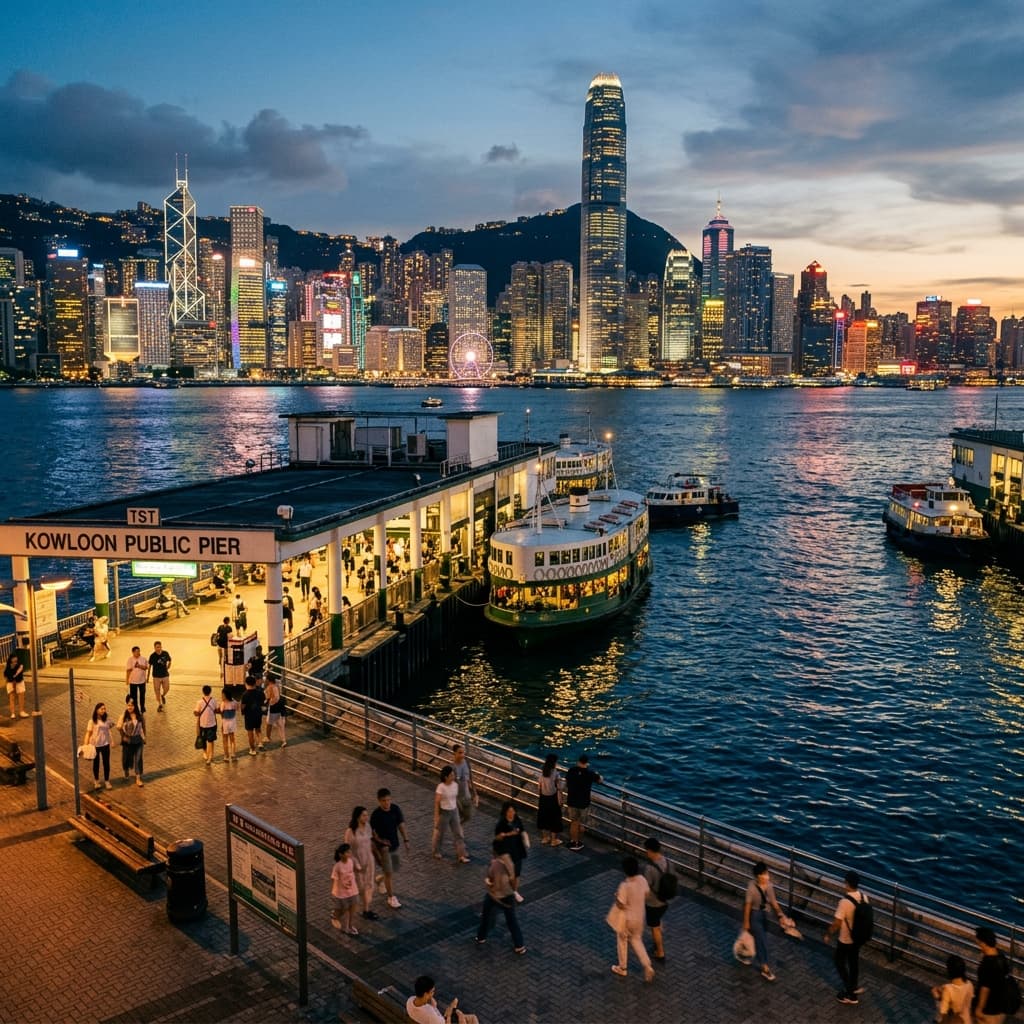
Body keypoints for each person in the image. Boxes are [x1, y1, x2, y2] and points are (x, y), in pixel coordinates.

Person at [825, 870, 868, 1005]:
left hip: (845, 939)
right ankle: (853, 993)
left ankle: (849, 990)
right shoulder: (864, 897)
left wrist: (828, 934)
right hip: (858, 938)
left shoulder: (844, 902)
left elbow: (837, 923)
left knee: (839, 962)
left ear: (847, 883)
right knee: (853, 964)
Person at [475, 839, 526, 954]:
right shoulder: (511, 863)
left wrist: (488, 881)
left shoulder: (495, 864)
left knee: (486, 917)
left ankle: (481, 937)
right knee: (512, 921)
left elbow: (490, 878)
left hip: (494, 895)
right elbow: (514, 880)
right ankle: (519, 945)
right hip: (508, 896)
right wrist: (513, 891)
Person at [610, 855, 655, 981]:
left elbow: (621, 904)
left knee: (622, 940)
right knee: (636, 940)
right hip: (639, 917)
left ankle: (622, 968)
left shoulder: (625, 885)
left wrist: (617, 895)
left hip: (627, 919)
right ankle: (647, 966)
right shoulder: (642, 879)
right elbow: (646, 894)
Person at [743, 860, 784, 982]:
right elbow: (748, 905)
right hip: (754, 915)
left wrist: (781, 915)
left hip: (765, 914)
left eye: (767, 872)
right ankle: (765, 967)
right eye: (765, 873)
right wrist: (746, 921)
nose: (767, 875)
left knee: (757, 937)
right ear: (758, 875)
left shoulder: (769, 886)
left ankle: (746, 952)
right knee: (762, 941)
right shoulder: (751, 887)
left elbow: (774, 902)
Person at [370, 787, 409, 909]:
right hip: (384, 848)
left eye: (388, 800)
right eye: (384, 801)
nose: (387, 803)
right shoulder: (376, 815)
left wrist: (406, 840)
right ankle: (391, 897)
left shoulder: (395, 809)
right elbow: (372, 833)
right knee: (389, 873)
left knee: (394, 869)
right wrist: (379, 846)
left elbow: (401, 825)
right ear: (379, 801)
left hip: (395, 845)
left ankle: (379, 879)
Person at [344, 806, 378, 922]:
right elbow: (348, 850)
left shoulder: (368, 827)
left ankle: (366, 909)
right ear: (358, 817)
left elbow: (370, 842)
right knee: (361, 887)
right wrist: (356, 864)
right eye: (364, 815)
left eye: (367, 815)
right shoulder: (350, 831)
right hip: (357, 863)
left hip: (369, 861)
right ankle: (349, 907)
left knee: (369, 885)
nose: (366, 817)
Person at [641, 837, 673, 963]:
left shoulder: (650, 868)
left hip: (653, 903)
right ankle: (657, 939)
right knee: (658, 922)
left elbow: (646, 888)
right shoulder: (668, 862)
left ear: (650, 850)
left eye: (646, 850)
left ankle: (660, 952)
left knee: (654, 927)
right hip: (666, 901)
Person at [565, 753, 602, 851]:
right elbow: (600, 780)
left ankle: (573, 841)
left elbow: (567, 781)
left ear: (578, 761)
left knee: (574, 822)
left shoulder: (571, 770)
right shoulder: (590, 773)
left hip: (572, 800)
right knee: (581, 824)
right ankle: (578, 843)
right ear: (587, 763)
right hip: (583, 803)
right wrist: (598, 775)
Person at [432, 765, 469, 862]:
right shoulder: (441, 787)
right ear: (446, 777)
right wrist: (436, 817)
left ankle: (461, 855)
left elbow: (455, 798)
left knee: (458, 834)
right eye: (451, 775)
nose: (454, 776)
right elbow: (437, 802)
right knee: (440, 833)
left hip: (454, 811)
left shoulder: (455, 785)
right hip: (444, 813)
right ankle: (436, 851)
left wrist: (460, 809)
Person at [406, 976, 478, 1024]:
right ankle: (453, 1009)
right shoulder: (431, 1014)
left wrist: (433, 1005)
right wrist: (449, 1015)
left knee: (466, 1016)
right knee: (471, 1018)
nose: (433, 994)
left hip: (434, 1019)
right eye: (432, 992)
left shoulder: (410, 1001)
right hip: (444, 1020)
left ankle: (453, 1009)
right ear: (425, 994)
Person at [975, 925, 1010, 1024]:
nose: (977, 943)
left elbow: (985, 988)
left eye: (978, 941)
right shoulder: (1001, 956)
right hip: (1001, 1007)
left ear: (983, 943)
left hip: (989, 1010)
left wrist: (979, 1008)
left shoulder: (988, 963)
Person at [494, 801, 528, 902]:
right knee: (508, 874)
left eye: (513, 811)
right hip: (506, 851)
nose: (511, 813)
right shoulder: (502, 823)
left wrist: (526, 840)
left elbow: (522, 830)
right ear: (505, 812)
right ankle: (503, 891)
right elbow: (497, 837)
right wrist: (507, 834)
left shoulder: (517, 819)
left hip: (517, 850)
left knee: (516, 874)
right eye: (509, 811)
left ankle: (514, 891)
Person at [931, 953, 974, 1024]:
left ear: (949, 971)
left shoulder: (948, 989)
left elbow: (943, 1013)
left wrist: (937, 998)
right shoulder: (969, 984)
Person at [330, 843, 359, 936]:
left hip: (353, 890)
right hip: (341, 892)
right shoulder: (337, 866)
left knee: (352, 908)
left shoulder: (350, 861)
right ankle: (335, 916)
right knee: (344, 910)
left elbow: (353, 871)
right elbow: (334, 878)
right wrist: (342, 883)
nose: (349, 853)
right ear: (341, 854)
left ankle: (349, 926)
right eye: (347, 852)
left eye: (349, 851)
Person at [83, 701, 112, 790]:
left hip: (105, 744)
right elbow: (88, 733)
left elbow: (109, 729)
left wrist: (111, 740)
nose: (103, 710)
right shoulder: (92, 721)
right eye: (101, 709)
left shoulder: (107, 720)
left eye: (104, 709)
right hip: (95, 745)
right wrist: (85, 745)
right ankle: (96, 781)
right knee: (96, 763)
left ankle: (107, 781)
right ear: (96, 710)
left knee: (106, 763)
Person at [116, 697, 145, 786]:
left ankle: (138, 778)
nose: (130, 707)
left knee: (138, 759)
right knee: (126, 758)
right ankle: (126, 770)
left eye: (132, 705)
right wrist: (123, 735)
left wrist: (144, 737)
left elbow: (143, 727)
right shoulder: (123, 716)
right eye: (128, 705)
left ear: (135, 706)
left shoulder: (140, 715)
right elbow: (118, 727)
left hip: (138, 740)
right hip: (128, 741)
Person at [536, 752, 564, 846]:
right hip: (553, 799)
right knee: (554, 819)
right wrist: (561, 799)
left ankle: (545, 838)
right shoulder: (555, 773)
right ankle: (553, 840)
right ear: (554, 762)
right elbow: (559, 787)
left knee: (544, 817)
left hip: (543, 798)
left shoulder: (542, 772)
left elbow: (539, 787)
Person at [451, 743, 478, 824]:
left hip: (466, 796)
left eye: (463, 752)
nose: (462, 755)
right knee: (458, 816)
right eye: (460, 753)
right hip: (457, 797)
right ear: (454, 753)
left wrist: (475, 794)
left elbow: (470, 779)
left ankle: (458, 826)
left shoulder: (466, 762)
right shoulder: (452, 767)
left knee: (468, 816)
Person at [194, 685, 218, 766]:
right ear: (210, 691)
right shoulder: (214, 700)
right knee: (211, 740)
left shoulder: (199, 702)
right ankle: (210, 755)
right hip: (212, 724)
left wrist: (197, 713)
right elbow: (217, 710)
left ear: (203, 691)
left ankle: (206, 754)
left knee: (204, 739)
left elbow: (196, 713)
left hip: (203, 724)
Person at [240, 675, 264, 755]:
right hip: (258, 714)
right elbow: (263, 702)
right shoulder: (260, 692)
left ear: (246, 684)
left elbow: (243, 706)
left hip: (249, 716)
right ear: (255, 683)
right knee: (258, 729)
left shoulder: (245, 694)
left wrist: (242, 711)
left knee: (250, 733)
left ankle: (252, 749)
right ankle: (260, 743)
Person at [147, 641, 172, 712]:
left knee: (167, 688)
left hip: (165, 675)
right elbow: (149, 666)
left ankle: (163, 695)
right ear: (154, 648)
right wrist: (147, 678)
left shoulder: (165, 653)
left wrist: (168, 667)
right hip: (156, 676)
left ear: (161, 647)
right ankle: (159, 704)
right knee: (157, 690)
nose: (158, 648)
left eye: (159, 647)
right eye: (157, 647)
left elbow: (170, 660)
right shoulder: (152, 656)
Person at [263, 675, 287, 748]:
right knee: (280, 724)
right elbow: (277, 697)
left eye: (266, 679)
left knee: (269, 722)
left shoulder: (270, 687)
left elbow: (268, 698)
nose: (265, 681)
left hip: (273, 707)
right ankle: (283, 740)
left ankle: (268, 737)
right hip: (279, 707)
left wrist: (270, 703)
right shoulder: (277, 686)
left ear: (268, 680)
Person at [125, 645, 149, 713]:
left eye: (139, 651)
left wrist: (139, 666)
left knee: (142, 695)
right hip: (133, 681)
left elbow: (146, 667)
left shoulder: (143, 659)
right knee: (133, 697)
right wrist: (127, 680)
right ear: (133, 652)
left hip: (142, 681)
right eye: (136, 651)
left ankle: (142, 707)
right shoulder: (130, 660)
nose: (138, 653)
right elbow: (128, 670)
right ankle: (136, 709)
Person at [218, 685, 238, 762]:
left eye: (222, 695)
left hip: (225, 722)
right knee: (232, 739)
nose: (221, 696)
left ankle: (226, 756)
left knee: (225, 739)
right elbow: (237, 708)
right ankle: (233, 754)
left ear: (225, 695)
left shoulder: (223, 703)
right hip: (232, 721)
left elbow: (221, 712)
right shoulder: (234, 702)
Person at [4, 653, 27, 719]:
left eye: (16, 661)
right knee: (12, 698)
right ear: (10, 660)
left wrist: (15, 676)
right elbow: (6, 675)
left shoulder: (20, 665)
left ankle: (21, 711)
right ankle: (13, 713)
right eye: (13, 661)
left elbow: (20, 673)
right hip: (10, 683)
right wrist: (12, 680)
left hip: (19, 682)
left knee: (21, 696)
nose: (15, 662)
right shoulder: (8, 667)